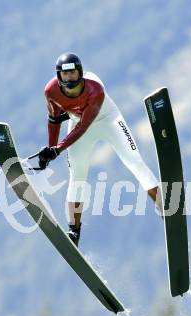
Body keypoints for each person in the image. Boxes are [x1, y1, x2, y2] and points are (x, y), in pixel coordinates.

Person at [34, 52, 162, 246]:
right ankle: (73, 231)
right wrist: (50, 150)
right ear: (58, 76)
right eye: (64, 75)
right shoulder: (50, 91)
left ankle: (164, 209)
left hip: (107, 120)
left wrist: (58, 149)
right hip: (78, 123)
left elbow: (83, 127)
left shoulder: (95, 90)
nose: (69, 79)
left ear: (81, 73)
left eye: (73, 74)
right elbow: (54, 119)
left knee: (134, 162)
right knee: (77, 176)